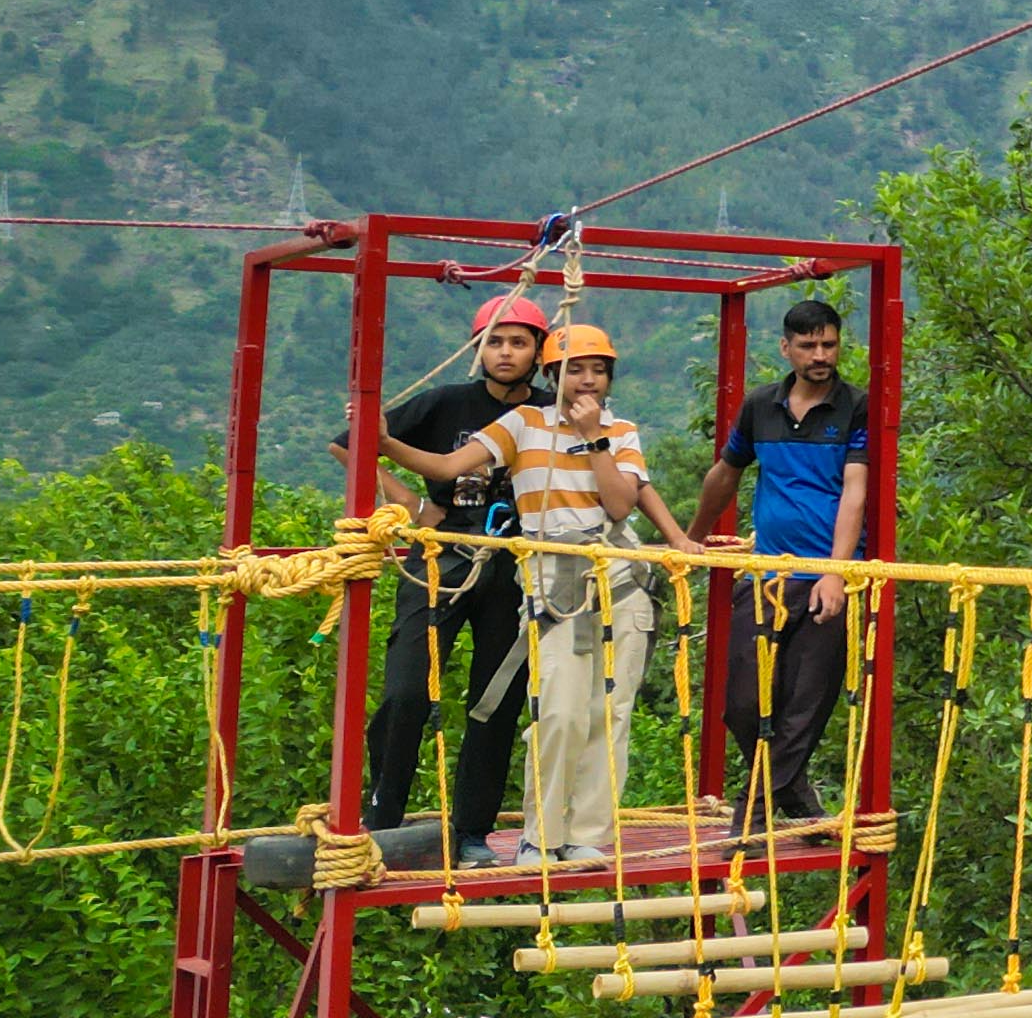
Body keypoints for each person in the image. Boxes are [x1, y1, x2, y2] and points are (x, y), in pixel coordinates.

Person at [414, 325, 698, 866]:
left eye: (597, 369)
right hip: (553, 574)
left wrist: (595, 442)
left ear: (610, 376)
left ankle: (588, 833)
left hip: (616, 571)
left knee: (609, 711)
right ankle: (541, 835)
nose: (587, 380)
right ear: (552, 376)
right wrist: (382, 444)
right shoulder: (524, 425)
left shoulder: (622, 431)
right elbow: (450, 468)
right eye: (574, 370)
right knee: (560, 710)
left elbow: (620, 504)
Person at [346, 293, 553, 846]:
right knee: (407, 689)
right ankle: (382, 811)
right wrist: (415, 508)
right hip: (441, 556)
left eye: (518, 342)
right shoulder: (445, 403)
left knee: (495, 699)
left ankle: (472, 830)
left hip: (514, 567)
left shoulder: (553, 412)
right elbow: (351, 446)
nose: (505, 353)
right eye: (494, 342)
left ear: (538, 350)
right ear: (477, 349)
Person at [691, 295, 870, 835]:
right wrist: (689, 539)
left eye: (829, 344)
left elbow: (855, 492)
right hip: (767, 574)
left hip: (827, 575)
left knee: (803, 706)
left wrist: (837, 573)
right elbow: (726, 471)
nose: (820, 354)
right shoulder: (760, 405)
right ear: (786, 348)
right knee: (740, 703)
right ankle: (798, 801)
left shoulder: (855, 406)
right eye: (809, 345)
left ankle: (750, 820)